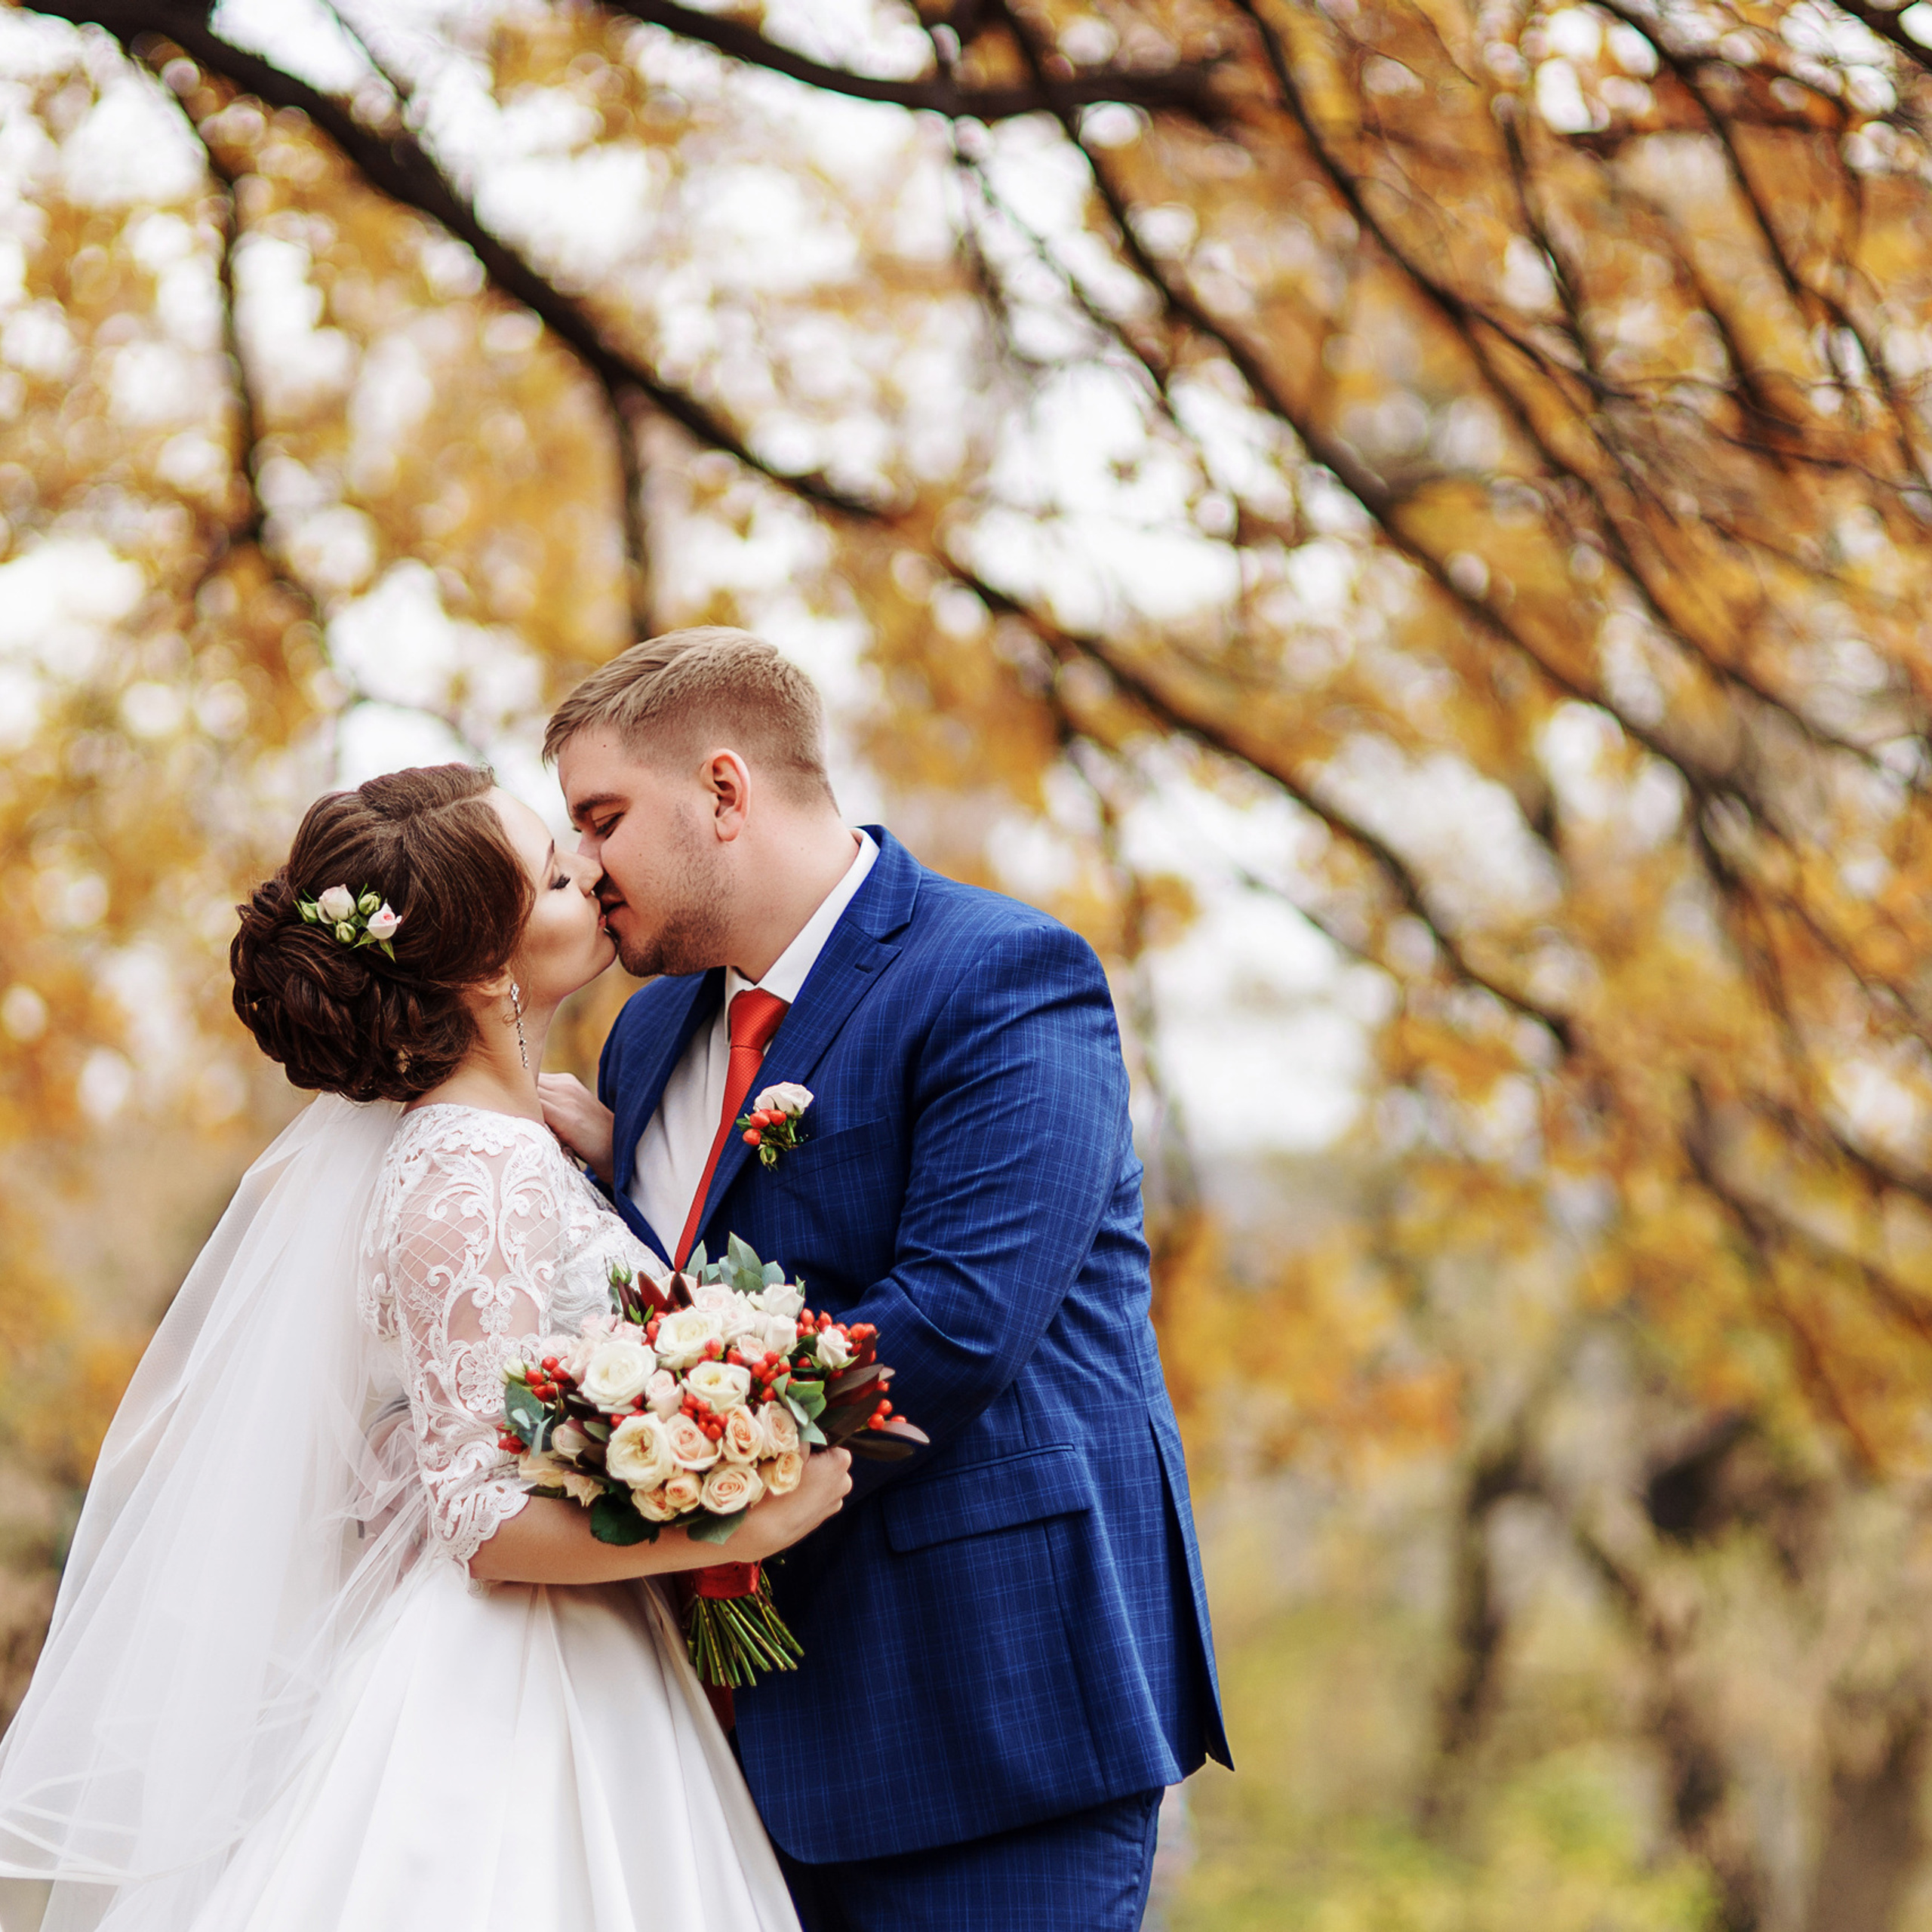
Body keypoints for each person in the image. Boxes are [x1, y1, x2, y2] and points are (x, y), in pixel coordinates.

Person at [0, 762, 848, 1930]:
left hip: (581, 1660)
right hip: (514, 1692)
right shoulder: (475, 1168)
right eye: (556, 875)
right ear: (483, 970)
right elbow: (483, 1518)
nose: (592, 871)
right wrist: (751, 1513)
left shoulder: (505, 1147)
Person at [540, 628, 1229, 1932]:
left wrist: (649, 1473)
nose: (580, 864)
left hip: (987, 1714)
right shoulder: (646, 1039)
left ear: (726, 793)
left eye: (603, 816)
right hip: (715, 1744)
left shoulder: (1005, 978)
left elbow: (958, 1325)